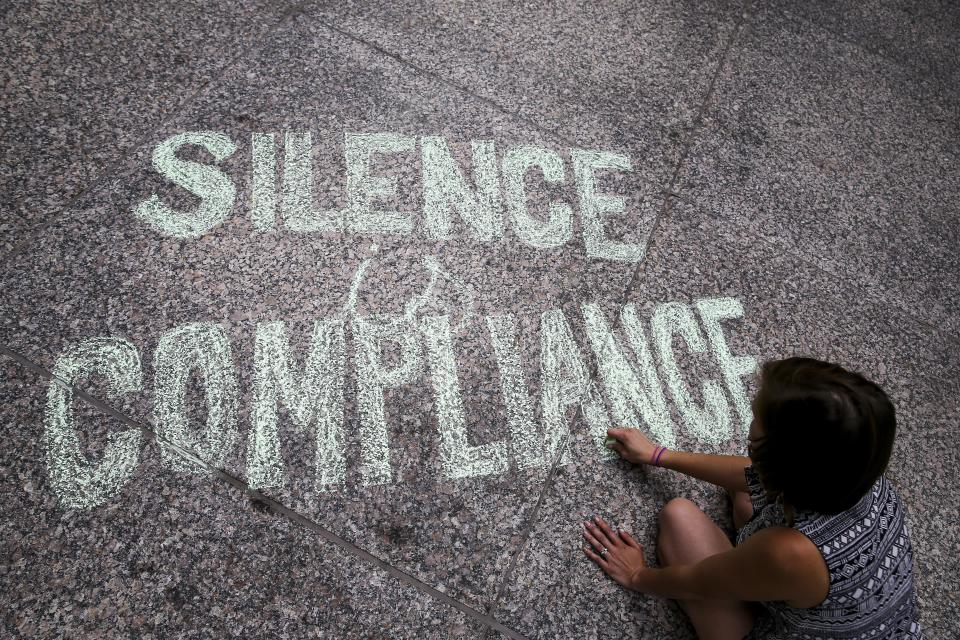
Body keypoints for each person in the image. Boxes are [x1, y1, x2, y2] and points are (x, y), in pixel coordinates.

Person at [583, 357, 924, 639]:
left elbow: (699, 581)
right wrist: (657, 455)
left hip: (791, 612)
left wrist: (637, 576)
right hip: (849, 614)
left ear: (781, 458)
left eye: (757, 416)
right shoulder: (854, 471)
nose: (751, 417)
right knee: (745, 499)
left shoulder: (789, 552)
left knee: (679, 517)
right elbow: (752, 474)